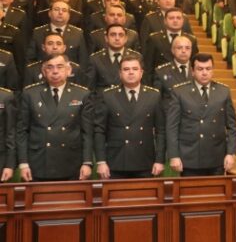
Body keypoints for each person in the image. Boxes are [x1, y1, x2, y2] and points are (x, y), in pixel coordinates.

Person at [17, 54, 94, 182]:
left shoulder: (82, 94)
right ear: (43, 71)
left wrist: (87, 162)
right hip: (39, 162)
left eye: (60, 67)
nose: (55, 71)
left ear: (69, 70)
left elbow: (87, 132)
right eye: (50, 67)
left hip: (70, 161)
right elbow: (22, 131)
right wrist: (24, 164)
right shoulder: (30, 94)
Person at [93, 55, 166, 179]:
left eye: (135, 69)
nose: (131, 72)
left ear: (141, 73)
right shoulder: (108, 96)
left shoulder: (154, 95)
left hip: (145, 161)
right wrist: (101, 161)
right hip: (116, 162)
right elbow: (99, 130)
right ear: (120, 73)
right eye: (126, 69)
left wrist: (159, 160)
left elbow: (161, 131)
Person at [166, 53, 236, 176]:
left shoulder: (224, 91)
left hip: (216, 157)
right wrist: (174, 155)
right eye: (200, 69)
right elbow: (172, 127)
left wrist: (231, 153)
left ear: (213, 70)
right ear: (192, 71)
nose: (204, 73)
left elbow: (232, 126)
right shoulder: (179, 92)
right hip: (189, 158)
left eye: (208, 69)